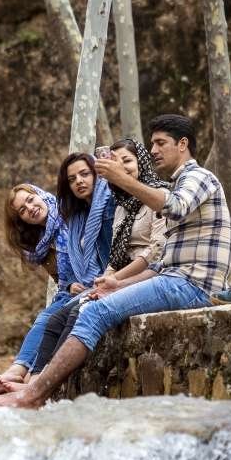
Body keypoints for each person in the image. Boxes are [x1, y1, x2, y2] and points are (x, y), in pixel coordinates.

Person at [0, 115, 231, 409]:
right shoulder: (172, 186)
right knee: (78, 308)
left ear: (182, 145)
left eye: (160, 143)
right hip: (176, 280)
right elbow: (162, 265)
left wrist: (122, 179)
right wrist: (115, 282)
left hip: (192, 287)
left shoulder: (197, 178)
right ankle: (32, 384)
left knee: (94, 312)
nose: (154, 150)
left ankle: (34, 393)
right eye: (152, 143)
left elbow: (172, 210)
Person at [28, 139, 168, 375]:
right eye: (72, 179)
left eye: (128, 161)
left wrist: (114, 280)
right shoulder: (122, 206)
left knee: (78, 312)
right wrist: (105, 279)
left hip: (148, 275)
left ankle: (43, 384)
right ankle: (33, 379)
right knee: (53, 320)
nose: (79, 182)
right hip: (116, 277)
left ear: (141, 163)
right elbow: (115, 254)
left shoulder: (156, 196)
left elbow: (154, 252)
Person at [0, 156, 114, 392]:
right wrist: (69, 285)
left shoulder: (69, 215)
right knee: (44, 319)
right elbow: (64, 279)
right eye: (22, 210)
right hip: (69, 292)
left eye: (30, 199)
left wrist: (77, 283)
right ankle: (18, 372)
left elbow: (95, 252)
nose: (30, 208)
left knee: (51, 319)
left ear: (40, 194)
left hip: (97, 281)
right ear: (20, 220)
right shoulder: (39, 241)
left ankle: (29, 375)